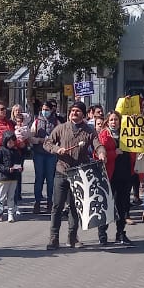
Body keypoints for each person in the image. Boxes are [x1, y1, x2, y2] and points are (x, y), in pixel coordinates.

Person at [43, 101, 102, 250]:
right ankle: (53, 238)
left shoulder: (89, 131)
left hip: (78, 174)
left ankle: (72, 237)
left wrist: (102, 153)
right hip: (61, 172)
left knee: (75, 208)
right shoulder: (61, 128)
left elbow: (98, 144)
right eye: (72, 110)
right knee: (57, 206)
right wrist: (57, 149)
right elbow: (47, 143)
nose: (74, 113)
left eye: (77, 111)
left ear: (83, 114)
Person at [95, 111, 135, 246]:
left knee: (122, 205)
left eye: (116, 120)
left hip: (124, 174)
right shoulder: (103, 135)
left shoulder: (127, 133)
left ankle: (120, 232)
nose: (114, 122)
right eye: (111, 120)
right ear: (107, 121)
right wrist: (114, 153)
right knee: (107, 205)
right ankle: (102, 234)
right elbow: (98, 155)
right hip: (109, 175)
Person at [29, 102, 58, 214]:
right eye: (43, 109)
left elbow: (60, 137)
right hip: (39, 153)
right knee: (39, 178)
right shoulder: (36, 121)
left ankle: (50, 202)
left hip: (51, 154)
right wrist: (40, 140)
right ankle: (37, 202)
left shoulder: (56, 122)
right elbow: (31, 138)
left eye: (47, 109)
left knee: (51, 180)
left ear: (51, 110)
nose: (45, 111)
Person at [0, 132, 26, 223]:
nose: (11, 143)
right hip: (4, 178)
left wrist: (20, 168)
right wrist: (7, 169)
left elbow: (19, 162)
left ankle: (10, 214)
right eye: (9, 142)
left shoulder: (16, 151)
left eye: (13, 141)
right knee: (2, 197)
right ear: (5, 141)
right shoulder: (0, 151)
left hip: (14, 177)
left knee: (11, 197)